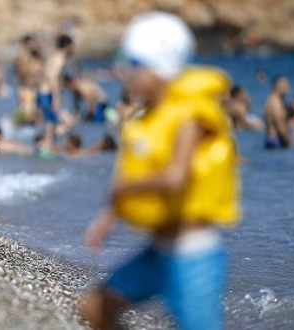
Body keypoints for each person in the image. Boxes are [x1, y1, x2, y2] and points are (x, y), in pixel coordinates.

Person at [79, 12, 240, 330]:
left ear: (159, 68)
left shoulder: (190, 115)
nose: (125, 73)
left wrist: (121, 190)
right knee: (95, 308)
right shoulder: (153, 117)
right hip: (157, 253)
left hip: (193, 256)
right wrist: (110, 216)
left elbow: (175, 176)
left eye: (133, 64)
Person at [36, 34, 74, 152]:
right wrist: (56, 96)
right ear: (67, 46)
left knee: (50, 123)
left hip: (42, 91)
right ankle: (45, 144)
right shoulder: (60, 59)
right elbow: (53, 78)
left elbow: (45, 74)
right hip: (48, 93)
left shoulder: (53, 57)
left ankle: (47, 143)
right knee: (61, 122)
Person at [14, 35, 43, 124]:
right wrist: (32, 70)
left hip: (31, 87)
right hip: (26, 87)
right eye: (31, 43)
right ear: (26, 44)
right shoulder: (22, 57)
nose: (33, 45)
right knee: (27, 113)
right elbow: (21, 73)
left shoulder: (32, 56)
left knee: (33, 112)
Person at [264, 75, 293, 149]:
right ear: (278, 86)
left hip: (272, 140)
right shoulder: (275, 102)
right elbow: (279, 124)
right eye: (286, 84)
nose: (288, 87)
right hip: (276, 141)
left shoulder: (272, 100)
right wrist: (289, 141)